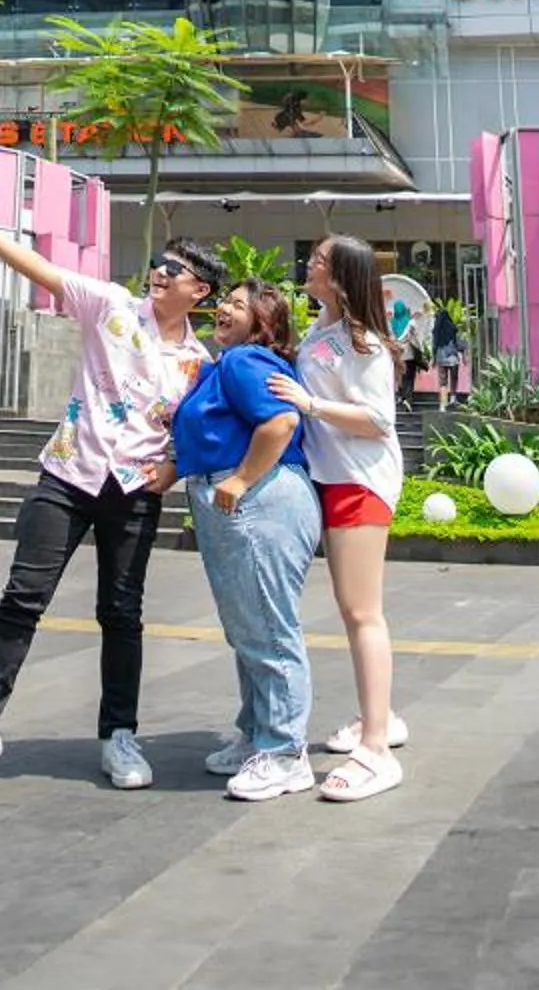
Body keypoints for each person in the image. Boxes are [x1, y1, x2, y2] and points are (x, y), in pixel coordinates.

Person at [0, 174, 216, 803]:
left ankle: (119, 734)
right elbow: (38, 267)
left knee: (121, 614)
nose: (159, 274)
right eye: (158, 264)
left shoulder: (201, 364)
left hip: (133, 492)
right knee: (22, 599)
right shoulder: (108, 305)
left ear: (199, 291)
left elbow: (206, 430)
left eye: (175, 271)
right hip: (68, 476)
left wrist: (175, 468)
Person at [172, 278, 323, 803]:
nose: (224, 310)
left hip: (259, 499)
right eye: (226, 302)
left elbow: (280, 422)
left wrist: (238, 481)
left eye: (239, 305)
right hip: (246, 499)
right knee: (249, 626)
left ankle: (284, 752)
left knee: (266, 627)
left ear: (264, 321)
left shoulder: (243, 362)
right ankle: (259, 734)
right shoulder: (227, 366)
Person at [271, 234, 406, 802]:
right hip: (330, 478)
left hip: (360, 480)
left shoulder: (365, 342)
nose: (310, 266)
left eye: (321, 262)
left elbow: (378, 418)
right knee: (353, 611)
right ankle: (383, 719)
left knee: (361, 611)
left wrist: (312, 405)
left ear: (344, 275)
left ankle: (376, 750)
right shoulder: (323, 333)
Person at [431, 297, 466, 401]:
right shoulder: (453, 328)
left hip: (441, 358)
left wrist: (433, 359)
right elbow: (459, 343)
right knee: (454, 378)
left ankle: (443, 401)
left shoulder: (436, 332)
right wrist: (464, 355)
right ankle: (453, 397)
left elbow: (434, 345)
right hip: (453, 358)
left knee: (443, 380)